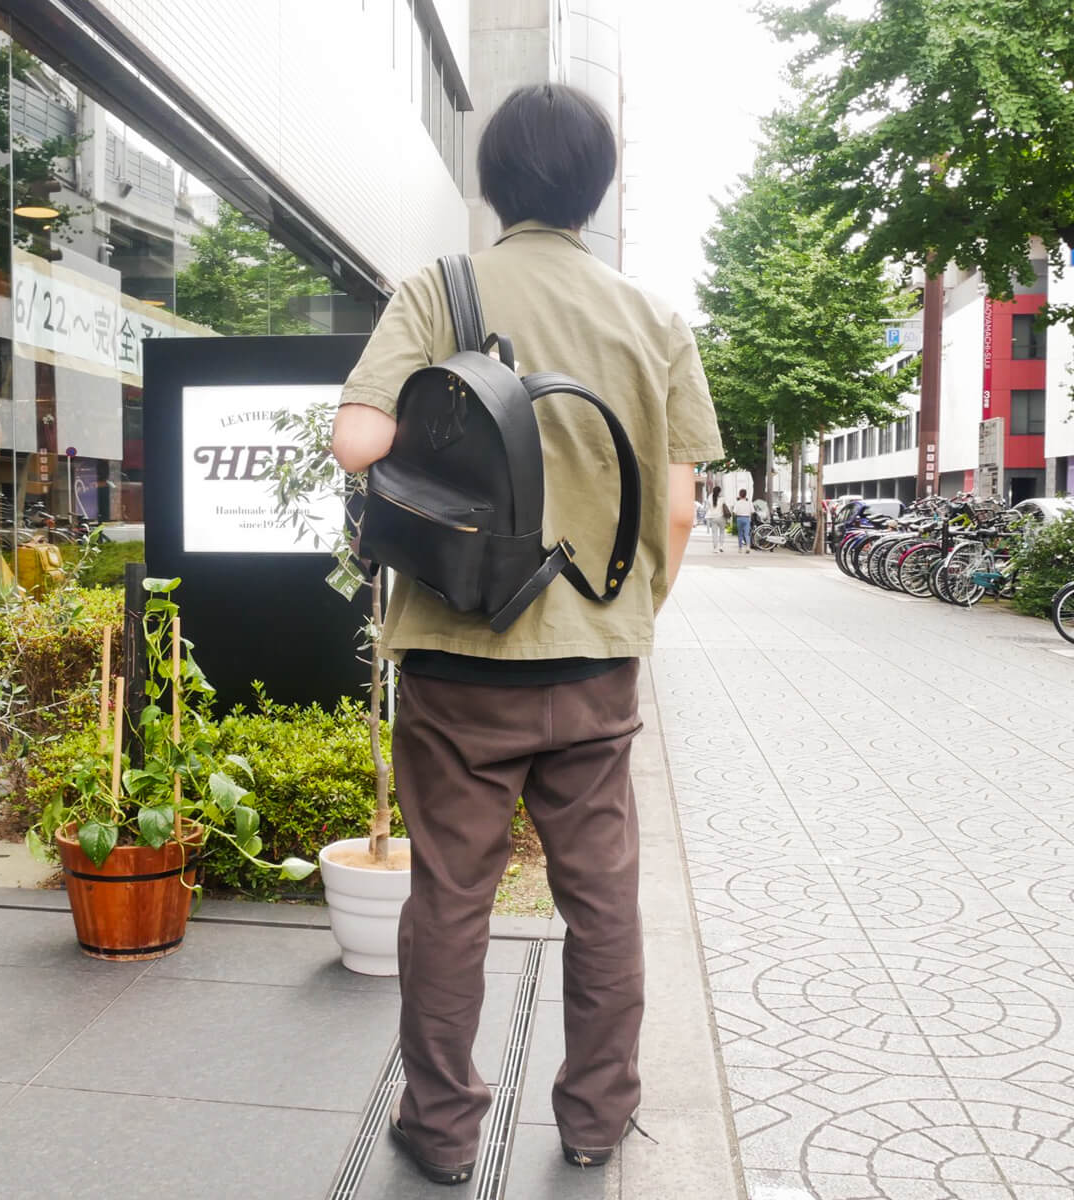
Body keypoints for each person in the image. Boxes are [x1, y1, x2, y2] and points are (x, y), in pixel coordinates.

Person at [330, 82, 722, 1186]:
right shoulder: (651, 319)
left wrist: (453, 404)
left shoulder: (438, 290)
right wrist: (626, 614)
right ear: (596, 191)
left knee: (449, 895)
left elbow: (356, 442)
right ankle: (597, 1119)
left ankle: (442, 1129)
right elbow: (681, 506)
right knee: (602, 899)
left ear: (491, 181)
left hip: (458, 652)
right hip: (596, 655)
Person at [705, 483, 726, 552]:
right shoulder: (722, 498)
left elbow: (707, 507)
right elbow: (725, 507)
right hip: (721, 517)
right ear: (720, 491)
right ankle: (721, 546)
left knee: (714, 533)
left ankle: (715, 548)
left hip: (713, 517)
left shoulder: (709, 497)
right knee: (722, 532)